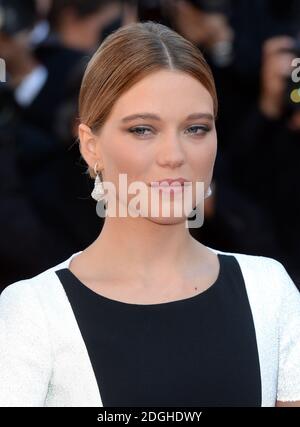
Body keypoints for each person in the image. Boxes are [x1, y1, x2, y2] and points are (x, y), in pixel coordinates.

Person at [0, 21, 299, 407]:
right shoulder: (34, 313)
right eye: (142, 129)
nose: (174, 155)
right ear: (91, 146)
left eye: (195, 128)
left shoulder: (269, 290)